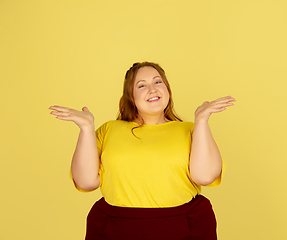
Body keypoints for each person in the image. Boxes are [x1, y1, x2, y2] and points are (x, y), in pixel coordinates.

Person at [49, 61, 235, 240]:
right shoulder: (109, 130)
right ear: (130, 96)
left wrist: (202, 120)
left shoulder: (190, 129)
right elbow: (86, 182)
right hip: (117, 229)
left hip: (182, 227)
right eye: (141, 86)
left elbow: (205, 177)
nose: (152, 89)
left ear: (167, 89)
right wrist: (86, 128)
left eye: (157, 81)